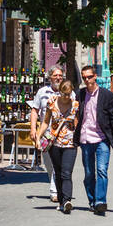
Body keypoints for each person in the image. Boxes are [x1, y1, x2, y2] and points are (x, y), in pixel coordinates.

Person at [75, 64, 113, 215]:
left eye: (89, 77)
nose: (87, 80)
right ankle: (92, 201)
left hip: (102, 138)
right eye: (84, 78)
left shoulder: (106, 95)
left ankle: (101, 201)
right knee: (89, 173)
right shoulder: (80, 94)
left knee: (101, 170)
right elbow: (74, 114)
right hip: (85, 139)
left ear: (95, 76)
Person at [41, 79, 80, 213]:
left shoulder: (75, 105)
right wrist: (38, 136)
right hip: (54, 143)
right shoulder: (51, 103)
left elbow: (78, 123)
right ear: (60, 92)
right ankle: (62, 201)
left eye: (69, 94)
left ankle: (67, 200)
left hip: (70, 144)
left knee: (66, 173)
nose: (67, 97)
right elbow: (46, 122)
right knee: (57, 172)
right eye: (64, 94)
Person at [29, 66, 66, 203]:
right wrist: (33, 129)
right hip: (46, 134)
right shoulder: (42, 92)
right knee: (49, 164)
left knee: (59, 164)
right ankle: (55, 187)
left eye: (60, 75)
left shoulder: (68, 91)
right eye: (55, 75)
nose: (58, 78)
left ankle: (55, 191)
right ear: (50, 77)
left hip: (62, 135)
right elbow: (35, 111)